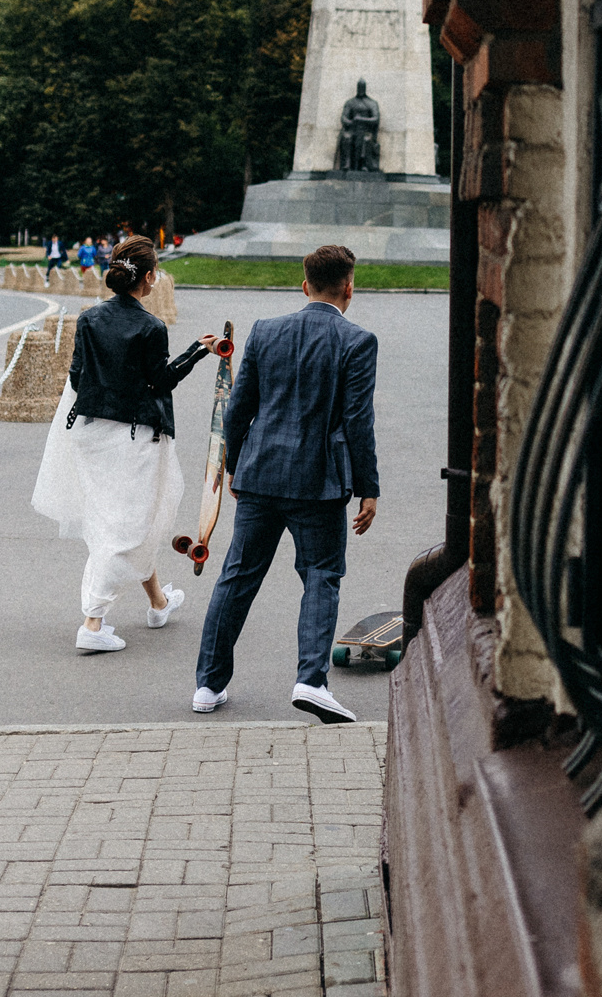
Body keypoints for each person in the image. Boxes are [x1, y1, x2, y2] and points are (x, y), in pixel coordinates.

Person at [191, 244, 379, 724]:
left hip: (260, 473)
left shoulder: (265, 330)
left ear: (304, 285)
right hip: (319, 482)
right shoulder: (358, 341)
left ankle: (208, 685)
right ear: (349, 288)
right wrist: (368, 488)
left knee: (237, 576)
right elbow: (358, 421)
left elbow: (238, 408)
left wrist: (236, 467)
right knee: (321, 575)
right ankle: (311, 681)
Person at [32, 236, 216, 654]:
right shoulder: (151, 327)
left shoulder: (89, 319)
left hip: (90, 433)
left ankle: (158, 603)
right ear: (148, 278)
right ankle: (93, 622)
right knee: (125, 528)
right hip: (135, 437)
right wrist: (196, 352)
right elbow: (162, 381)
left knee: (124, 520)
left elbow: (77, 377)